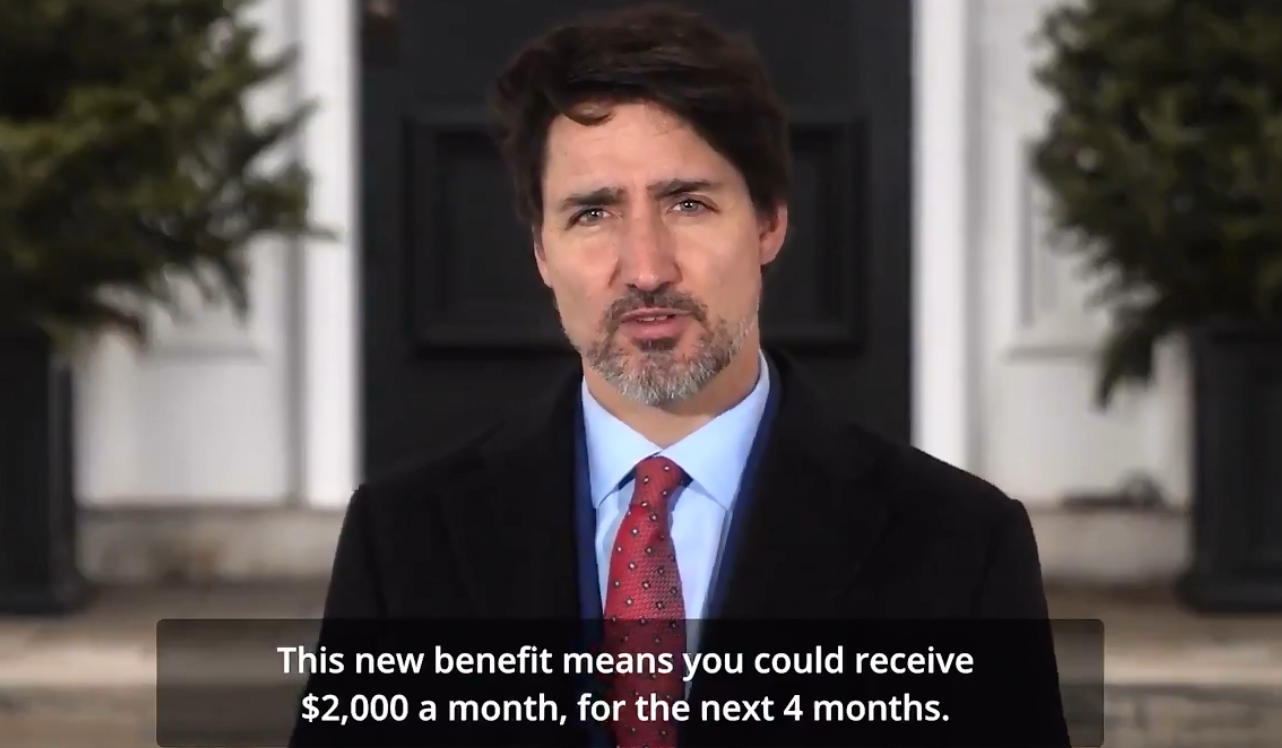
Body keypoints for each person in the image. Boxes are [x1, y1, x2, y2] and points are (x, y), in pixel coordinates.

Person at [297, 4, 1069, 748]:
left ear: (768, 222)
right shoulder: (402, 542)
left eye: (688, 204)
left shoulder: (959, 547)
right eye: (592, 213)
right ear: (540, 252)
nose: (645, 268)